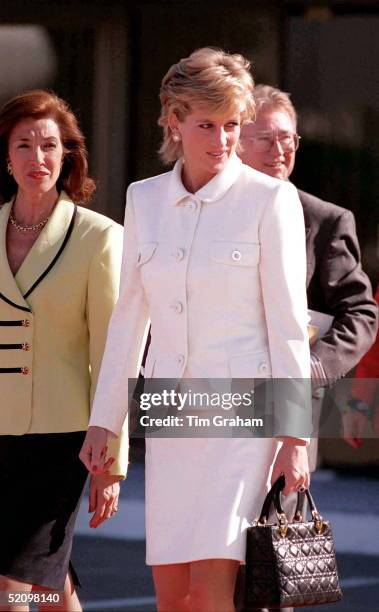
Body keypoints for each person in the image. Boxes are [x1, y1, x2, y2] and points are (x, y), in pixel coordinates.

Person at [80, 48, 312, 612]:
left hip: (243, 418)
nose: (223, 139)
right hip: (170, 414)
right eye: (206, 124)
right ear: (173, 121)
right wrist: (105, 423)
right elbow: (130, 319)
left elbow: (286, 326)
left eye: (231, 124)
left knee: (211, 591)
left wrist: (295, 439)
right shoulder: (145, 198)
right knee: (172, 594)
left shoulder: (271, 200)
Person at [0, 90, 128, 612]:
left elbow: (113, 350)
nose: (38, 158)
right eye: (24, 145)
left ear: (67, 155)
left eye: (49, 146)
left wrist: (110, 464)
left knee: (12, 586)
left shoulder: (99, 238)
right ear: (5, 156)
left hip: (61, 439)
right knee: (50, 584)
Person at [240, 85, 378, 464]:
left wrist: (313, 368)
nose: (279, 150)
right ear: (236, 142)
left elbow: (361, 314)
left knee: (276, 521)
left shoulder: (325, 221)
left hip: (285, 410)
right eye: (265, 139)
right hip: (209, 402)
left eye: (287, 138)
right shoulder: (204, 214)